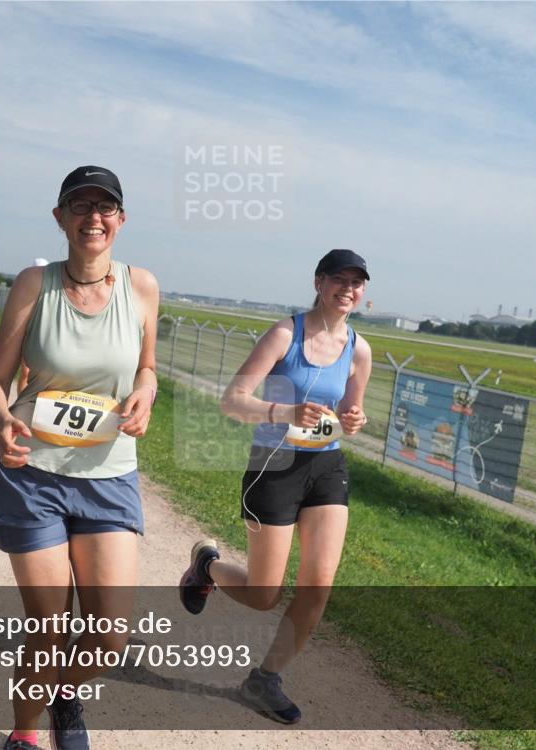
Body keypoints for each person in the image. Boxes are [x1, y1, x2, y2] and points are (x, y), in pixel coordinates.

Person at [0, 166, 158, 750]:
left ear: (121, 220)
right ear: (60, 218)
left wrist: (146, 392)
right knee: (49, 627)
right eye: (79, 206)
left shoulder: (143, 287)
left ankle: (58, 695)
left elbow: (147, 368)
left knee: (109, 636)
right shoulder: (34, 284)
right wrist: (3, 420)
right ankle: (25, 735)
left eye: (105, 207)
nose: (93, 218)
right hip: (33, 474)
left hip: (108, 476)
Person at [179, 248, 372, 724]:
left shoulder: (359, 349)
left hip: (326, 467)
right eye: (339, 280)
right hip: (275, 465)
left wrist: (355, 419)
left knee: (318, 584)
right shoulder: (286, 333)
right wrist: (284, 412)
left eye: (357, 282)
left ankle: (264, 679)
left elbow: (350, 416)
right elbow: (232, 401)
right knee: (265, 594)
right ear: (319, 282)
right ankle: (208, 567)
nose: (348, 289)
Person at [15, 257, 50, 394]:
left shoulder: (52, 291)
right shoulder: (26, 289)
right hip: (29, 334)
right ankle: (20, 404)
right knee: (25, 372)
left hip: (46, 336)